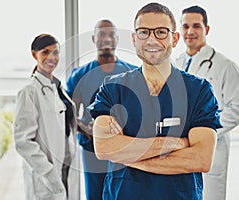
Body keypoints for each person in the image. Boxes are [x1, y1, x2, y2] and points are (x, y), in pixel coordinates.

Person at [88, 3, 223, 199]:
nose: (152, 39)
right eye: (143, 32)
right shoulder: (112, 88)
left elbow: (201, 159)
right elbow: (104, 148)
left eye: (161, 32)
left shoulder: (198, 91)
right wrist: (174, 144)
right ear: (134, 39)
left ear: (175, 39)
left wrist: (127, 155)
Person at [175, 5, 239, 200]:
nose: (190, 32)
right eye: (185, 26)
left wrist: (207, 130)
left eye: (196, 26)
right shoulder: (174, 65)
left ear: (206, 29)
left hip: (211, 149)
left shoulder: (224, 66)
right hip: (178, 149)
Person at [66, 19, 137, 200]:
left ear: (117, 39)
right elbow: (70, 114)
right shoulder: (79, 75)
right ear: (93, 39)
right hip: (92, 149)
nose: (107, 39)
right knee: (96, 195)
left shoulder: (132, 73)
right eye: (102, 34)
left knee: (124, 193)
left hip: (125, 147)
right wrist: (86, 129)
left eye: (111, 34)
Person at [13, 33, 79, 200]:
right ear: (34, 54)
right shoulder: (29, 92)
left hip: (67, 166)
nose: (52, 57)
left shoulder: (58, 88)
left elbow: (63, 123)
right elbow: (23, 142)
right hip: (47, 174)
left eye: (55, 52)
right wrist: (49, 172)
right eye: (45, 52)